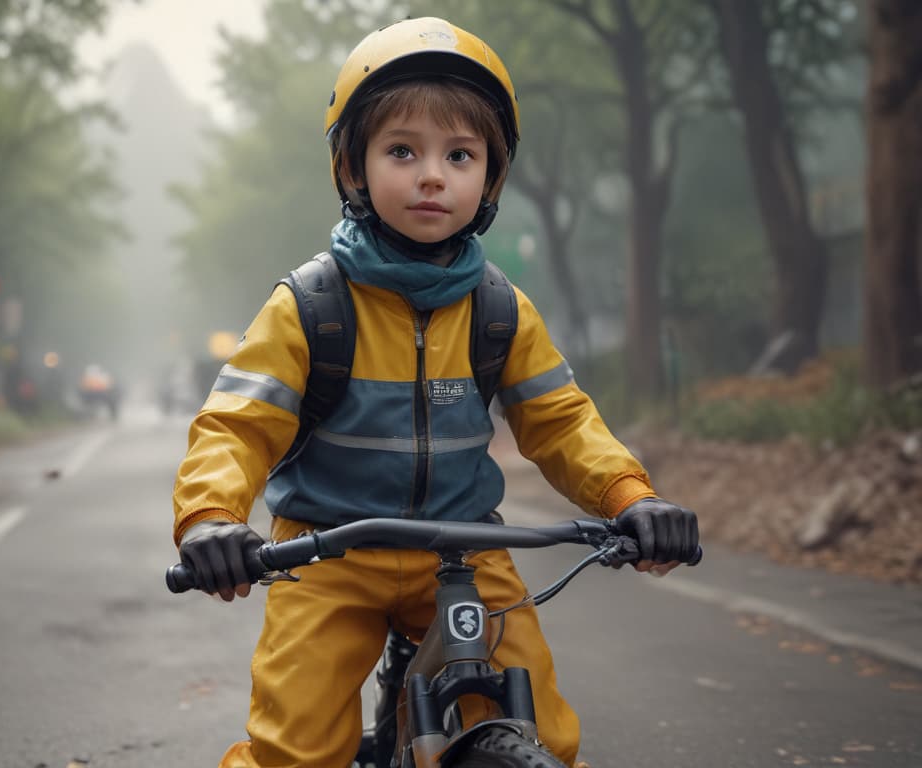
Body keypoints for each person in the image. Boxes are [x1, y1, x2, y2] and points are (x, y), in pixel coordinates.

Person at [172, 16, 699, 768]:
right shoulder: (310, 306)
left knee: (544, 733)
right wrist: (211, 517)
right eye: (401, 151)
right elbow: (237, 426)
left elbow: (559, 421)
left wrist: (631, 499)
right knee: (296, 748)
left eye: (459, 154)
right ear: (352, 169)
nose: (432, 174)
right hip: (327, 553)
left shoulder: (499, 309)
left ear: (491, 177)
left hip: (463, 550)